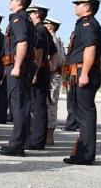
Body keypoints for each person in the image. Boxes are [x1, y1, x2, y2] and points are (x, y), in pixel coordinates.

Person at [63, 0, 101, 166]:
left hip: (83, 72)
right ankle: (82, 153)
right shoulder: (85, 23)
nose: (75, 6)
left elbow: (90, 48)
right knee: (82, 115)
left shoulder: (87, 24)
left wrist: (85, 73)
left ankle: (85, 155)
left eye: (78, 3)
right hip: (80, 71)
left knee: (85, 115)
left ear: (87, 7)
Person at [0, 0, 36, 157]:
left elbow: (22, 42)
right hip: (24, 64)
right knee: (22, 104)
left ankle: (16, 144)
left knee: (18, 105)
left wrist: (17, 66)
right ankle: (22, 141)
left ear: (19, 2)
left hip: (18, 63)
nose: (10, 2)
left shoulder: (18, 18)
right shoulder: (25, 18)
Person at [25, 4, 57, 150]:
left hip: (38, 72)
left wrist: (35, 73)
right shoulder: (45, 31)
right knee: (40, 105)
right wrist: (50, 67)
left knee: (37, 106)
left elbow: (38, 54)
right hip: (44, 71)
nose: (29, 15)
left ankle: (37, 141)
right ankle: (39, 139)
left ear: (37, 14)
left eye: (31, 13)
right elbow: (54, 54)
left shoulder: (38, 30)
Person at [44, 17, 65, 145]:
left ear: (51, 26)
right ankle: (48, 136)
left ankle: (49, 136)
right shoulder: (57, 40)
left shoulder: (51, 39)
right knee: (51, 105)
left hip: (52, 76)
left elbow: (52, 63)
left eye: (46, 24)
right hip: (54, 75)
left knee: (50, 105)